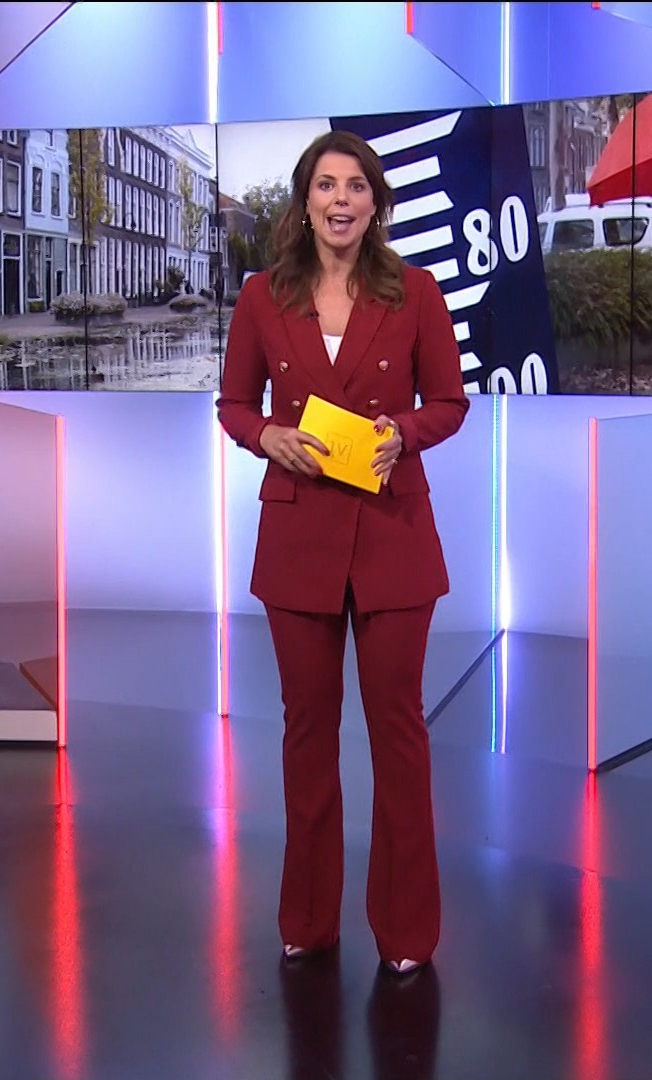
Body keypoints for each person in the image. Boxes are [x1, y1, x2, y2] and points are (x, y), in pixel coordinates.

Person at [216, 130, 469, 974]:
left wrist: (405, 432)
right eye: (326, 185)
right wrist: (267, 437)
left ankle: (407, 932)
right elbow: (233, 405)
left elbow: (450, 402)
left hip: (393, 535)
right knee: (306, 734)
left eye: (356, 186)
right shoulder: (263, 297)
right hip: (299, 538)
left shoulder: (416, 292)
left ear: (375, 203)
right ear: (305, 200)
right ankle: (307, 918)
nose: (340, 200)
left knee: (398, 735)